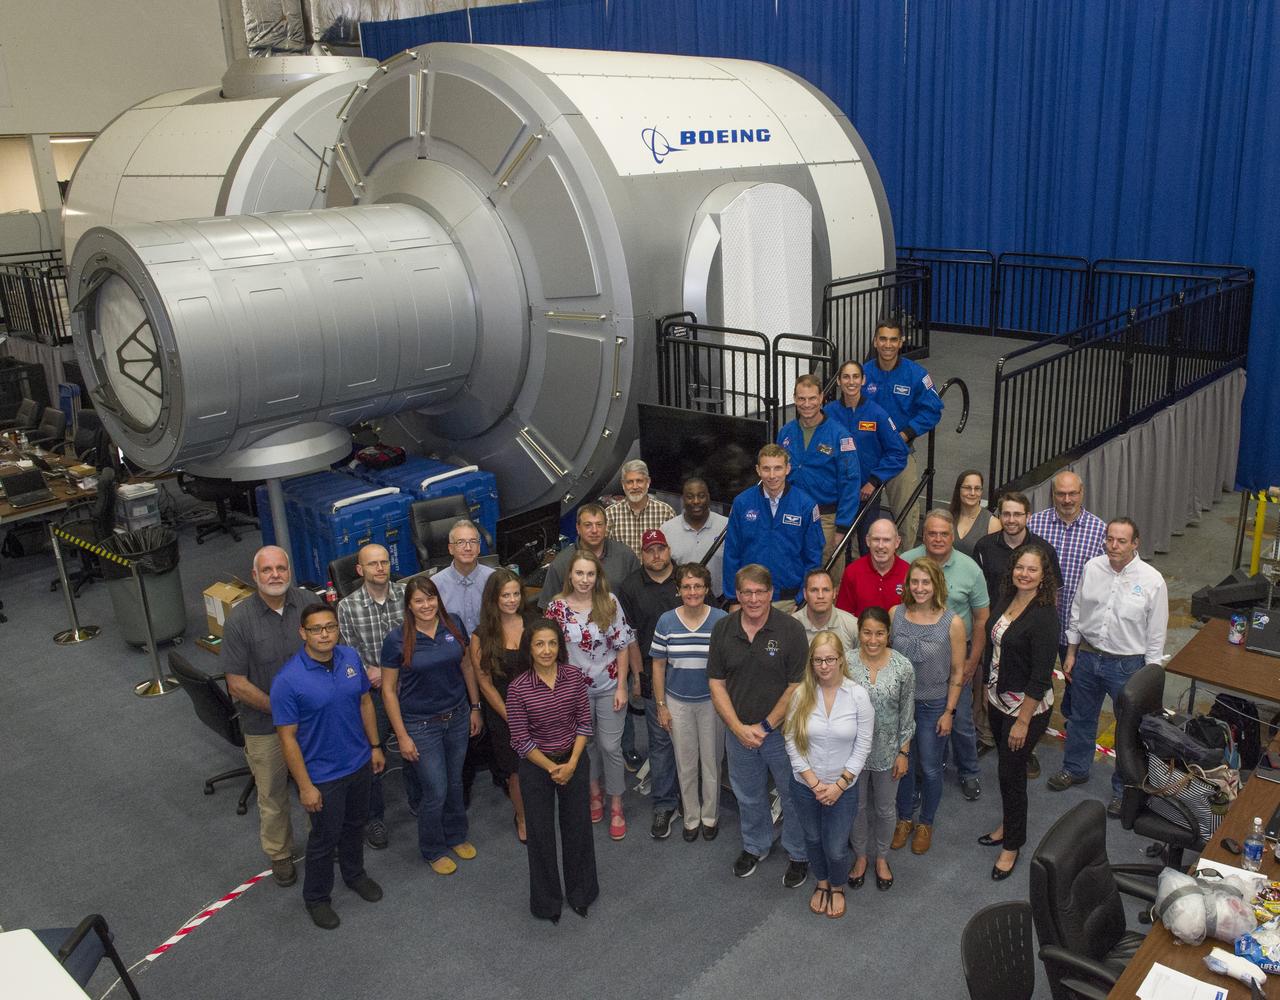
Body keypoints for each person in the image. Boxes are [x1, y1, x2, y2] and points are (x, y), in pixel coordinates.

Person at [271, 603, 385, 929]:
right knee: (324, 839)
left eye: (330, 627)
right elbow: (288, 739)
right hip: (323, 776)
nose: (325, 634)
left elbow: (365, 701)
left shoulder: (350, 658)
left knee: (355, 825)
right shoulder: (288, 681)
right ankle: (316, 897)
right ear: (303, 633)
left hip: (359, 763)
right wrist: (305, 786)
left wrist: (375, 746)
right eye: (317, 629)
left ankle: (355, 875)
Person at [1049, 518, 1169, 816]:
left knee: (1128, 731)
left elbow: (1156, 635)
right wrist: (1072, 651)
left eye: (1121, 541)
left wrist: (1149, 677)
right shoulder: (1093, 568)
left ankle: (1122, 791)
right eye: (1110, 539)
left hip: (1128, 666)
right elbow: (1077, 609)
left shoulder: (1153, 581)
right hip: (1088, 658)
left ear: (1135, 543)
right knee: (1080, 718)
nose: (1113, 545)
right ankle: (1075, 768)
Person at [707, 564, 811, 885]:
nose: (753, 599)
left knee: (792, 793)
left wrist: (765, 726)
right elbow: (716, 683)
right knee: (747, 794)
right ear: (737, 594)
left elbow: (796, 686)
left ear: (771, 594)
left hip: (781, 733)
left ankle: (798, 852)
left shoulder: (790, 630)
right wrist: (738, 727)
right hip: (738, 733)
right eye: (746, 593)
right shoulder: (723, 629)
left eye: (760, 592)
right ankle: (756, 844)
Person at [380, 577, 482, 874]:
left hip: (458, 716)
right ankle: (433, 847)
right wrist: (402, 735)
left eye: (430, 598)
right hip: (420, 725)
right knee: (435, 790)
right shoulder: (396, 640)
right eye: (419, 601)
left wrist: (475, 707)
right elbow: (388, 690)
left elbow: (465, 666)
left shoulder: (455, 625)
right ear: (409, 606)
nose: (426, 606)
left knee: (455, 782)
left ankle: (456, 835)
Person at [222, 545, 310, 887]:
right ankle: (280, 854)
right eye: (268, 570)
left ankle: (324, 839)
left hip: (311, 720)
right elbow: (236, 684)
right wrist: (282, 709)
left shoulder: (306, 605)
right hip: (265, 725)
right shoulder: (239, 621)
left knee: (317, 782)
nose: (275, 575)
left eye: (281, 568)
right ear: (255, 576)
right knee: (273, 794)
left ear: (290, 571)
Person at [505, 620, 598, 924]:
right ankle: (547, 903)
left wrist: (570, 764)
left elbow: (584, 722)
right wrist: (551, 768)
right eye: (539, 644)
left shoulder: (573, 676)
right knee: (541, 835)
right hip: (536, 766)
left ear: (560, 647)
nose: (547, 650)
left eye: (552, 644)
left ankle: (581, 893)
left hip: (573, 759)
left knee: (578, 827)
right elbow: (520, 739)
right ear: (529, 649)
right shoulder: (518, 688)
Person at [980, 545, 1060, 881]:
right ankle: (1008, 824)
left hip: (1025, 709)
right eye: (1020, 568)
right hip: (998, 701)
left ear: (1044, 577)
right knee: (1005, 771)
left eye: (1032, 570)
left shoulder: (1044, 617)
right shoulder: (1007, 596)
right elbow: (995, 646)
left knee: (1012, 774)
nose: (1024, 575)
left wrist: (1023, 722)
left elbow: (1041, 677)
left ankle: (1012, 844)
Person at [544, 550, 637, 839]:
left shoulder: (609, 602)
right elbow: (548, 651)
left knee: (610, 746)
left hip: (609, 686)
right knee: (586, 744)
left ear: (598, 577)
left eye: (590, 574)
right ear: (570, 575)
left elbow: (622, 645)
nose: (584, 580)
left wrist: (623, 684)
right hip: (574, 692)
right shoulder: (556, 608)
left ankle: (616, 803)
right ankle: (594, 792)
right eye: (579, 573)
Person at [972, 491, 1063, 776]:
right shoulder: (985, 547)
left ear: (1028, 517)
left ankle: (1027, 748)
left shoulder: (1043, 549)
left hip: (1025, 641)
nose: (1011, 520)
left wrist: (1040, 624)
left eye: (1017, 514)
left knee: (1015, 759)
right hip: (998, 631)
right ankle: (994, 739)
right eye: (1006, 514)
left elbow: (1052, 595)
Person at [902, 510, 991, 801]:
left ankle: (968, 771)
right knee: (913, 722)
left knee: (961, 721)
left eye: (944, 534)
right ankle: (917, 775)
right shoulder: (906, 561)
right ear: (923, 536)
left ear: (952, 537)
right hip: (914, 654)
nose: (938, 539)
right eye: (932, 533)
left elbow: (980, 620)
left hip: (955, 654)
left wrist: (972, 660)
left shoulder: (970, 569)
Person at [783, 630, 873, 918]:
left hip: (842, 787)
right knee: (812, 838)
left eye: (830, 659)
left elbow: (864, 744)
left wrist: (840, 784)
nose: (824, 666)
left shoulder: (857, 695)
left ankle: (837, 885)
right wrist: (813, 781)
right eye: (818, 660)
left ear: (841, 660)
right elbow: (790, 739)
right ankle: (822, 883)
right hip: (805, 785)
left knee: (835, 848)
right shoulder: (800, 694)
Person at [336, 543, 410, 850]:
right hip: (373, 691)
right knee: (374, 754)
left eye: (384, 562)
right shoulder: (347, 607)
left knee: (417, 744)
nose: (380, 568)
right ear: (360, 570)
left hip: (408, 682)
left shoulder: (407, 595)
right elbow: (348, 656)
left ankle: (420, 798)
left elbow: (418, 640)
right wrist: (375, 672)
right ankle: (374, 817)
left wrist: (391, 672)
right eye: (372, 564)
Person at [891, 558, 966, 855]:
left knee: (931, 768)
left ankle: (926, 822)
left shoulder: (953, 622)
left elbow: (958, 671)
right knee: (903, 766)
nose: (920, 588)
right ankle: (905, 818)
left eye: (926, 582)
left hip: (933, 704)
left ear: (936, 585)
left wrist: (949, 712)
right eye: (915, 582)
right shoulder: (895, 614)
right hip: (900, 705)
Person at [651, 562, 729, 841]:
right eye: (686, 586)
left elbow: (728, 664)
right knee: (685, 763)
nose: (692, 591)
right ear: (678, 590)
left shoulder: (721, 619)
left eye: (698, 586)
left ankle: (710, 816)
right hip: (677, 702)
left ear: (707, 589)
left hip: (712, 702)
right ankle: (691, 817)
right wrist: (661, 705)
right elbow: (658, 666)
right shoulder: (666, 621)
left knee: (711, 761)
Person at [615, 529, 682, 839]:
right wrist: (638, 678)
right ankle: (665, 804)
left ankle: (694, 800)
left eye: (661, 548)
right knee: (660, 741)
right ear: (641, 555)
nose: (656, 555)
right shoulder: (629, 587)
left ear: (669, 550)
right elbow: (629, 638)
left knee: (697, 740)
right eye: (649, 550)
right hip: (653, 675)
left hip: (691, 674)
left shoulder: (687, 579)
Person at [1026, 469, 1107, 725]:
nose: (1067, 499)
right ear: (1053, 495)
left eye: (1073, 493)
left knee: (1079, 685)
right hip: (1039, 622)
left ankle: (1074, 728)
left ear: (1082, 493)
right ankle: (1035, 722)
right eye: (1061, 494)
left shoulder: (1099, 530)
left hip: (1079, 627)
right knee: (1035, 677)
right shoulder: (1035, 525)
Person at [847, 607, 915, 892]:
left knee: (886, 809)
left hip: (888, 752)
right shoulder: (845, 664)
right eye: (866, 633)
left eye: (879, 633)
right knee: (857, 807)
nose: (872, 639)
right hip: (851, 753)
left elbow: (906, 714)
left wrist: (903, 752)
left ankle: (882, 858)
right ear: (858, 633)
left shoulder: (903, 667)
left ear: (888, 634)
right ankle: (861, 856)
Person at [861, 316, 943, 545]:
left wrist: (906, 433)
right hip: (867, 455)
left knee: (906, 517)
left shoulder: (916, 375)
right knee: (860, 518)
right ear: (875, 341)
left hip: (899, 453)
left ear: (901, 342)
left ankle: (905, 569)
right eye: (883, 339)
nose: (888, 345)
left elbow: (933, 409)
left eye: (893, 340)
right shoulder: (862, 374)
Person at [470, 568, 537, 843]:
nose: (511, 600)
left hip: (537, 708)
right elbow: (484, 683)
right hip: (505, 714)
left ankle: (541, 810)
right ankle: (521, 817)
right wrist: (512, 717)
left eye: (516, 594)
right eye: (505, 595)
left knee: (542, 765)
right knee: (516, 771)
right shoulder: (481, 636)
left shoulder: (534, 623)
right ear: (493, 599)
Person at [776, 373, 861, 578]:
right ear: (794, 399)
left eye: (812, 398)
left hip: (827, 519)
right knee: (793, 568)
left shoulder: (840, 436)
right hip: (792, 515)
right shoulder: (786, 432)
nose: (807, 404)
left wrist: (842, 527)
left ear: (822, 397)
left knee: (826, 578)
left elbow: (851, 483)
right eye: (802, 398)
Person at [722, 444, 825, 612]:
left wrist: (801, 599)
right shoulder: (742, 503)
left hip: (789, 601)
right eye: (766, 469)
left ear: (787, 469)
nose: (772, 475)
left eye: (777, 468)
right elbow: (731, 554)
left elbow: (813, 557)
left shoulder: (805, 505)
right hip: (750, 599)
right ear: (757, 470)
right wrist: (733, 598)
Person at [823, 359, 909, 553]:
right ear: (838, 381)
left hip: (865, 495)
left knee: (866, 548)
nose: (851, 381)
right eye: (846, 377)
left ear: (863, 380)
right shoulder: (828, 414)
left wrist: (874, 480)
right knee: (834, 550)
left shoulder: (877, 413)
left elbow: (898, 451)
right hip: (836, 495)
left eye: (855, 377)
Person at [538, 503, 640, 609]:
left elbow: (638, 597)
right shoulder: (561, 563)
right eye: (588, 525)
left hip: (617, 623)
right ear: (578, 528)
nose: (594, 530)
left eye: (599, 524)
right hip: (575, 624)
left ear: (606, 526)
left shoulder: (626, 556)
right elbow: (548, 608)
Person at [660, 477, 729, 600]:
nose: (696, 501)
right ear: (683, 499)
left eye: (701, 496)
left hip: (721, 601)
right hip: (683, 602)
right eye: (690, 497)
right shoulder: (667, 530)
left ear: (708, 497)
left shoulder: (726, 526)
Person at [430, 518, 495, 634]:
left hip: (488, 646)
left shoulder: (493, 579)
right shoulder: (435, 584)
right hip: (452, 648)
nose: (468, 548)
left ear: (479, 547)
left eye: (473, 542)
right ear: (450, 549)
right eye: (460, 542)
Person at [835, 516, 909, 617]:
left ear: (897, 542)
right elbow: (843, 616)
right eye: (876, 539)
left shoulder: (909, 573)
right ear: (868, 541)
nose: (880, 545)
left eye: (886, 540)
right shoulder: (852, 572)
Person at [605, 459, 676, 557]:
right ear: (623, 484)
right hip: (623, 572)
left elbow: (673, 551)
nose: (635, 486)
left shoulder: (666, 513)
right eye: (630, 482)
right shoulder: (609, 515)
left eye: (639, 481)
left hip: (655, 572)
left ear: (648, 482)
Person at [792, 567, 859, 654]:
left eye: (826, 590)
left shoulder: (853, 625)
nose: (820, 596)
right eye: (814, 590)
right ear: (805, 594)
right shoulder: (790, 626)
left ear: (834, 593)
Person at [949, 470, 999, 558]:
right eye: (967, 488)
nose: (972, 493)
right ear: (958, 490)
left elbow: (993, 561)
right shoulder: (948, 517)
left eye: (977, 488)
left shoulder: (993, 523)